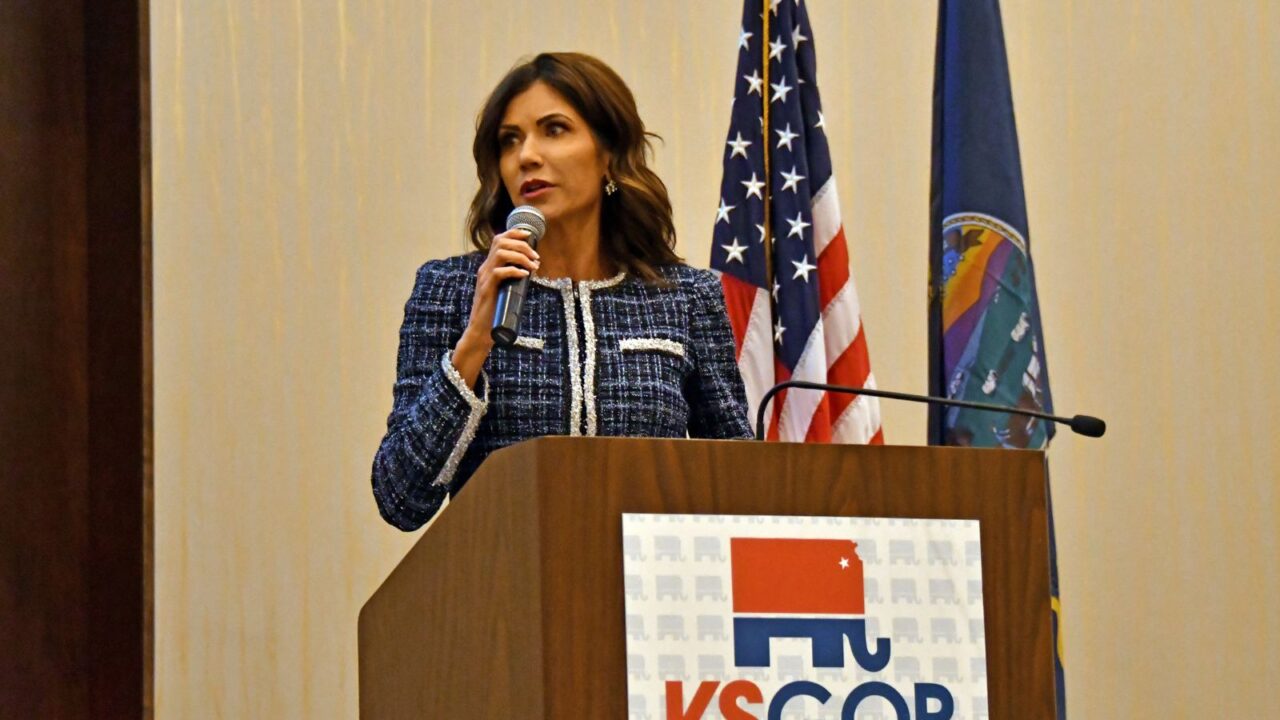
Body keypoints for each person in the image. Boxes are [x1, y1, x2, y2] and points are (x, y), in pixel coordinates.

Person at [371, 52, 751, 531]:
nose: (527, 155)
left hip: (647, 592)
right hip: (501, 592)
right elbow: (399, 497)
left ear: (608, 155)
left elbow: (741, 483)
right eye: (510, 140)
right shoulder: (448, 290)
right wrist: (473, 344)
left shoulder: (685, 297)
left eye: (554, 129)